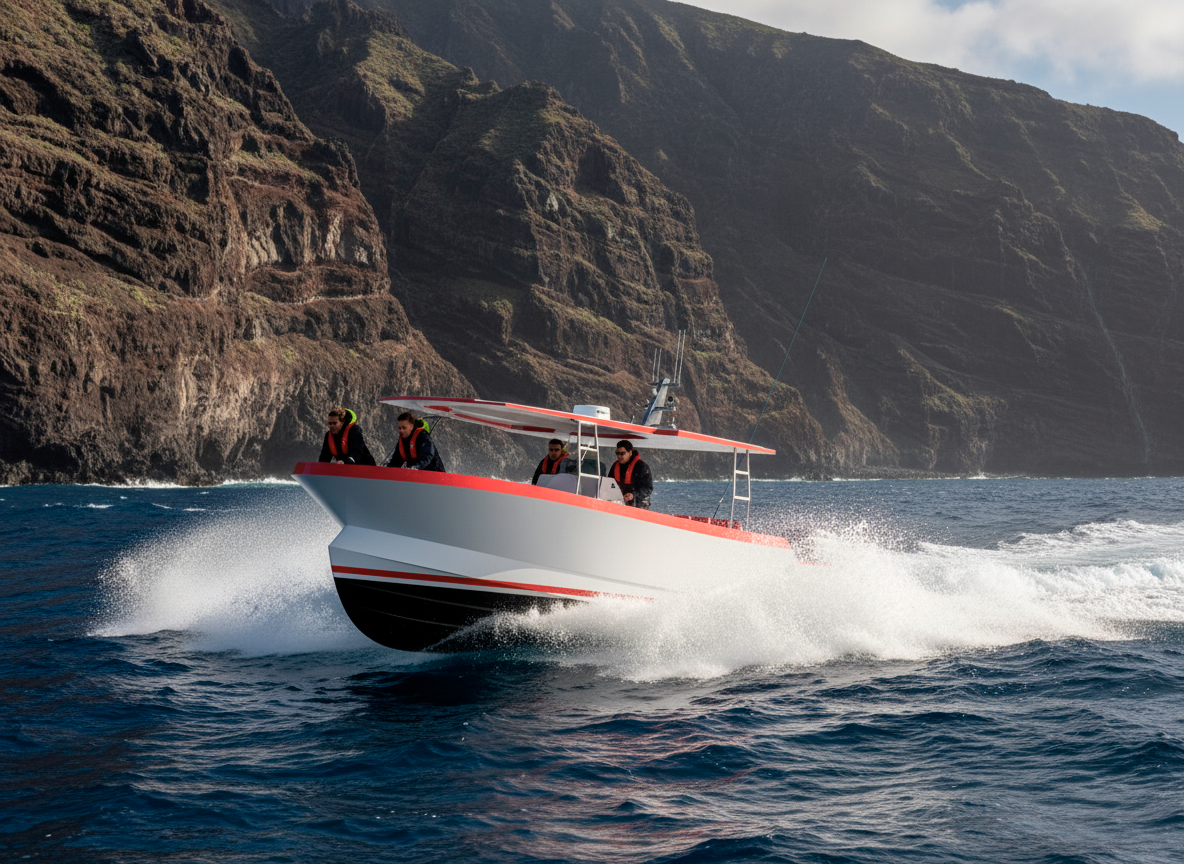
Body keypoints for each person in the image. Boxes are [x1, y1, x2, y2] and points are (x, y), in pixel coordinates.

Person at [610, 440, 652, 508]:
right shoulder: (615, 466)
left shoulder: (642, 467)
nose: (619, 456)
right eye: (617, 453)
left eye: (622, 453)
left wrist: (633, 495)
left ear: (630, 453)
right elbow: (609, 484)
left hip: (639, 505)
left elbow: (648, 488)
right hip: (620, 504)